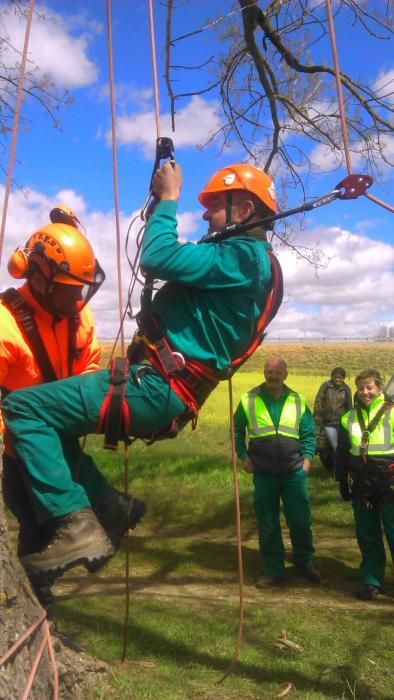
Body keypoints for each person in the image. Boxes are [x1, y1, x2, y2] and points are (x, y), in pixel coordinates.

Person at [2, 162, 282, 583]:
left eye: (213, 207)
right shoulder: (253, 266)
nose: (205, 215)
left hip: (156, 385)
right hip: (166, 390)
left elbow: (156, 256)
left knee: (23, 409)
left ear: (243, 211)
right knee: (53, 424)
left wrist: (169, 198)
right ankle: (109, 506)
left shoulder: (242, 257)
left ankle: (74, 523)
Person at [0, 210, 146, 603]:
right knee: (41, 528)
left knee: (55, 526)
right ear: (39, 277)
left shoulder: (78, 319)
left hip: (59, 435)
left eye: (82, 287)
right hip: (18, 450)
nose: (79, 298)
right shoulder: (4, 324)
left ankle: (106, 513)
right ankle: (39, 600)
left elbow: (90, 371)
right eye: (70, 288)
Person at [234, 356, 320, 588]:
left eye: (277, 372)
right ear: (264, 373)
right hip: (263, 472)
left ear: (285, 374)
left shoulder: (298, 400)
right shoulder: (248, 399)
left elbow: (309, 434)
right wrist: (243, 456)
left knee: (300, 520)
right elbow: (236, 430)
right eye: (269, 372)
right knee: (268, 521)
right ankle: (274, 569)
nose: (273, 376)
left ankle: (305, 561)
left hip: (294, 472)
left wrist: (307, 462)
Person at [335, 369, 394, 601]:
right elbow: (341, 452)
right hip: (362, 483)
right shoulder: (347, 418)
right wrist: (341, 479)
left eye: (369, 387)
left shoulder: (392, 412)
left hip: (390, 482)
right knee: (367, 534)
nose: (365, 392)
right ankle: (371, 580)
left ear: (379, 388)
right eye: (361, 388)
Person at [313, 367, 352, 472]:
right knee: (335, 446)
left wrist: (350, 422)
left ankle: (338, 470)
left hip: (341, 423)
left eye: (340, 377)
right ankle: (336, 471)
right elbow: (319, 401)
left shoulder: (347, 389)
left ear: (343, 378)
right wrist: (317, 418)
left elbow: (349, 407)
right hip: (328, 423)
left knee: (340, 447)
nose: (337, 379)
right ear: (332, 376)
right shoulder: (326, 386)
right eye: (336, 377)